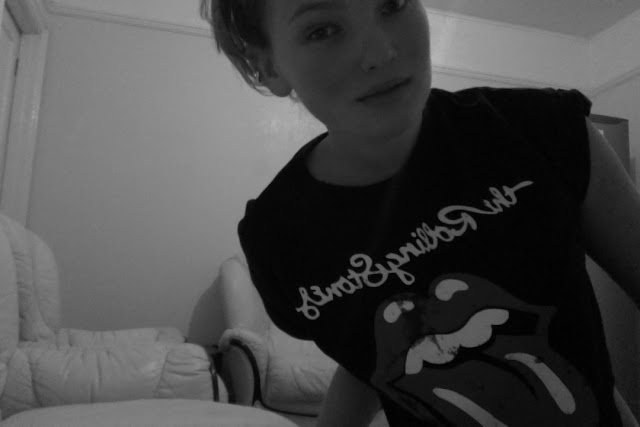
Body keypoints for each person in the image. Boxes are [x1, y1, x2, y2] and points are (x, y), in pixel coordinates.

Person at [200, 1, 640, 425]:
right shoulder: (278, 238)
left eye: (393, 4)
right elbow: (367, 358)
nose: (381, 52)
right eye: (322, 30)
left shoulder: (543, 128)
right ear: (268, 66)